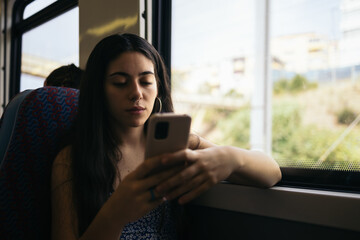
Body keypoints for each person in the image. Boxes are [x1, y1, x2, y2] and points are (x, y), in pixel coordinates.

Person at [51, 33, 282, 240]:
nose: (136, 93)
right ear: (99, 91)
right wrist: (115, 214)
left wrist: (230, 157)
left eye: (146, 81)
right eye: (120, 83)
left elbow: (272, 173)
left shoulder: (177, 145)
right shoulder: (72, 159)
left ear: (158, 87)